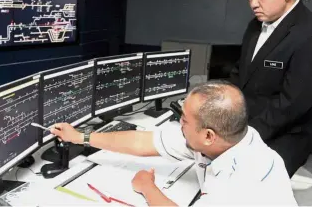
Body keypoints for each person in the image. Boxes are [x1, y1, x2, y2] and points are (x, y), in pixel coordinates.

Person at [50, 81, 297, 206]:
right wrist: (80, 137)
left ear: (209, 135)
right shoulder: (233, 135)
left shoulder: (238, 185)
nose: (179, 124)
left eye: (184, 120)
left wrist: (147, 188)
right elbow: (143, 141)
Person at [230, 0, 312, 177]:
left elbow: (293, 102)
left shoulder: (307, 32)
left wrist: (246, 136)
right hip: (245, 126)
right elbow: (241, 73)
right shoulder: (255, 25)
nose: (253, 4)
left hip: (284, 136)